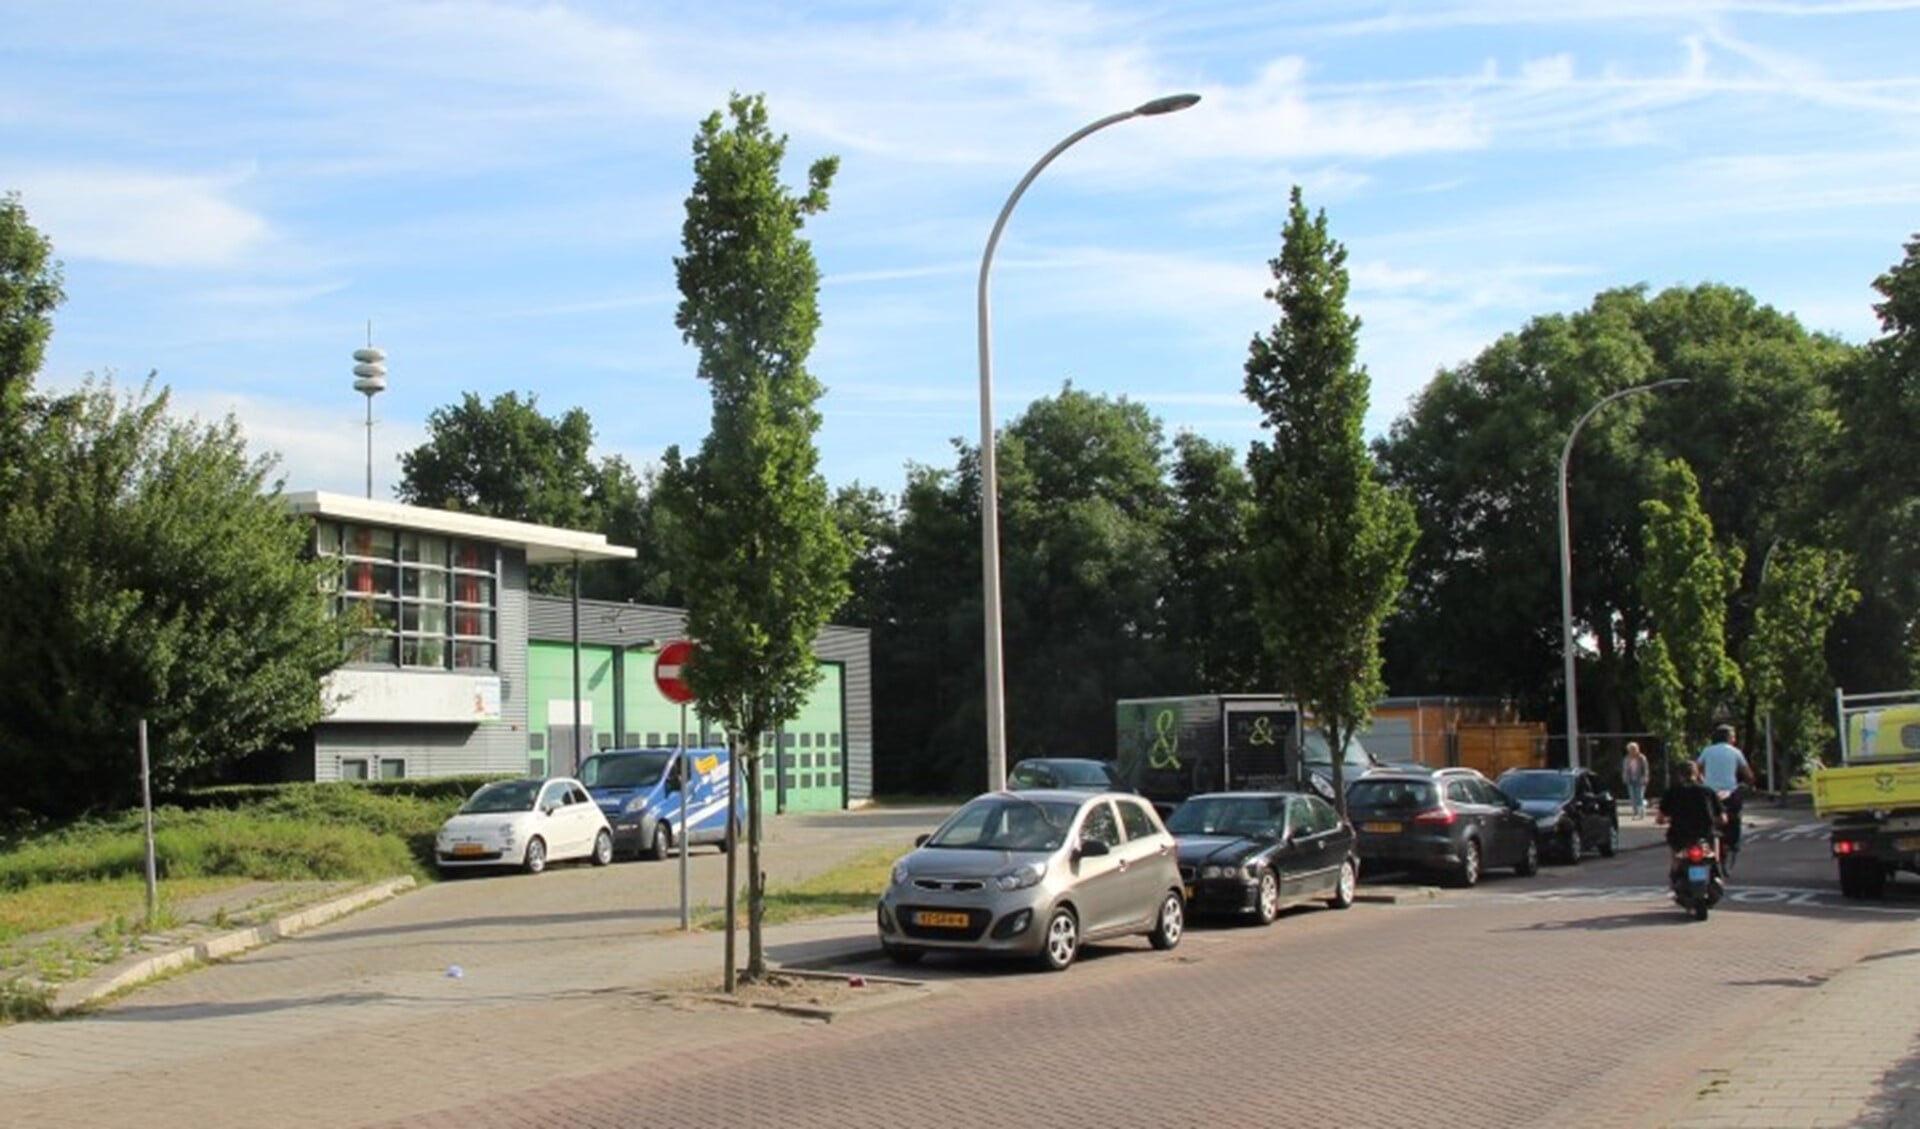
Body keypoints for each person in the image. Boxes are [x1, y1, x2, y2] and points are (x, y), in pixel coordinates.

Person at [1656, 760, 1725, 882]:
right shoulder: (1707, 791)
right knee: (1714, 847)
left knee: (1676, 855)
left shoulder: (1672, 791)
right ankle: (1716, 869)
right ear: (1697, 773)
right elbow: (1723, 818)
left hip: (1680, 835)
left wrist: (1667, 819)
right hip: (1704, 834)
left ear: (1679, 775)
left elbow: (1660, 818)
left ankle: (1675, 871)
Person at [1696, 724, 1754, 859]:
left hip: (1710, 793)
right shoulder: (1735, 752)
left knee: (1707, 818)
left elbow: (1696, 769)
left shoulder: (1707, 751)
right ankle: (1733, 844)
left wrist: (1702, 782)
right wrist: (1750, 784)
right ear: (1728, 737)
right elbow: (1748, 775)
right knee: (1735, 817)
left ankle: (1705, 842)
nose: (1734, 739)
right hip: (1730, 792)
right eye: (1733, 736)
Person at [1622, 741, 1650, 819]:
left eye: (1634, 749)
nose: (1632, 751)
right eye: (1630, 749)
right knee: (1633, 797)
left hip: (1640, 780)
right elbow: (1625, 769)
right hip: (1630, 780)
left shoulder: (1642, 758)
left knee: (1640, 797)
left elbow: (1645, 769)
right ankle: (1635, 812)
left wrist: (1645, 778)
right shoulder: (1627, 758)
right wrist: (1624, 777)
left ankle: (1641, 813)